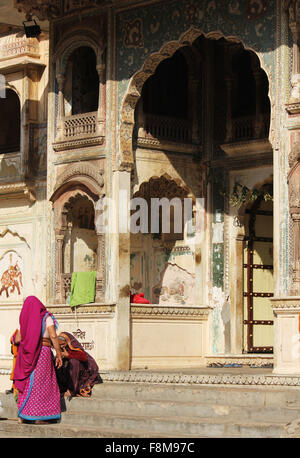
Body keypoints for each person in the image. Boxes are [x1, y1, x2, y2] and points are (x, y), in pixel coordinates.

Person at [13, 296, 63, 424]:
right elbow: (53, 335)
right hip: (43, 353)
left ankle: (24, 415)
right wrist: (58, 353)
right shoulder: (46, 317)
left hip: (28, 354)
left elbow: (18, 338)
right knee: (43, 384)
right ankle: (39, 416)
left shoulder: (26, 321)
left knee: (30, 382)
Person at [56, 332, 101, 398]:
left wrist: (68, 355)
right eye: (60, 345)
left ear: (67, 342)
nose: (62, 346)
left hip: (84, 372)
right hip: (69, 374)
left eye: (63, 344)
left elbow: (82, 357)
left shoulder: (74, 346)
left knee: (73, 362)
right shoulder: (62, 349)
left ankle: (72, 390)